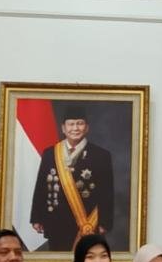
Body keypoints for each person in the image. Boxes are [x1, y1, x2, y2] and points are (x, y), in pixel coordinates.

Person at [30, 103, 115, 251]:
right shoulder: (50, 153)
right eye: (71, 124)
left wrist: (105, 222)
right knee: (57, 261)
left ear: (87, 128)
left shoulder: (101, 155)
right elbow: (41, 187)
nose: (75, 128)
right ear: (63, 128)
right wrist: (36, 217)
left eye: (80, 123)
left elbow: (107, 193)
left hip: (87, 223)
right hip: (56, 221)